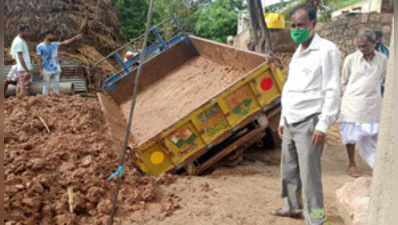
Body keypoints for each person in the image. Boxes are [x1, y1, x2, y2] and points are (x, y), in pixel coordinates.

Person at [266, 4, 341, 225]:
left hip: (310, 121)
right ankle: (292, 206)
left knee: (310, 176)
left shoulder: (327, 50)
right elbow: (290, 87)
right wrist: (282, 118)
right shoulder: (298, 51)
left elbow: (332, 88)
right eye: (293, 26)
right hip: (291, 120)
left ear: (314, 24)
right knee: (288, 170)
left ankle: (316, 218)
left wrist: (323, 125)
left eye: (301, 25)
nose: (296, 29)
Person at [338, 29, 387, 175]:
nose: (361, 49)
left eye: (365, 46)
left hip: (373, 104)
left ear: (374, 43)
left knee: (373, 136)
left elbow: (384, 78)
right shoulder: (351, 59)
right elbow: (344, 81)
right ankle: (352, 164)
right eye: (359, 46)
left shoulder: (383, 59)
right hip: (352, 104)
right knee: (350, 135)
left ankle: (376, 165)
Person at [36, 30, 82, 95]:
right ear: (46, 36)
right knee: (46, 86)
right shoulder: (40, 46)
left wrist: (74, 38)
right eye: (51, 34)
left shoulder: (54, 44)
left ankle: (56, 100)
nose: (52, 36)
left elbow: (65, 42)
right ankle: (45, 100)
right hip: (46, 69)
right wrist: (40, 70)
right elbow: (38, 59)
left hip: (56, 68)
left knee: (56, 86)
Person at [10, 24, 32, 96]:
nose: (28, 33)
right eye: (26, 31)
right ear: (21, 31)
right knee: (25, 87)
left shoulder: (20, 40)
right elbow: (20, 57)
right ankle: (24, 104)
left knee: (21, 86)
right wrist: (26, 70)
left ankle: (19, 103)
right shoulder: (19, 41)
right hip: (23, 69)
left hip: (22, 68)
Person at [374, 31, 389, 95]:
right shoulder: (367, 50)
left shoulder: (386, 50)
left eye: (379, 39)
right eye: (376, 39)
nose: (377, 41)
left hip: (383, 82)